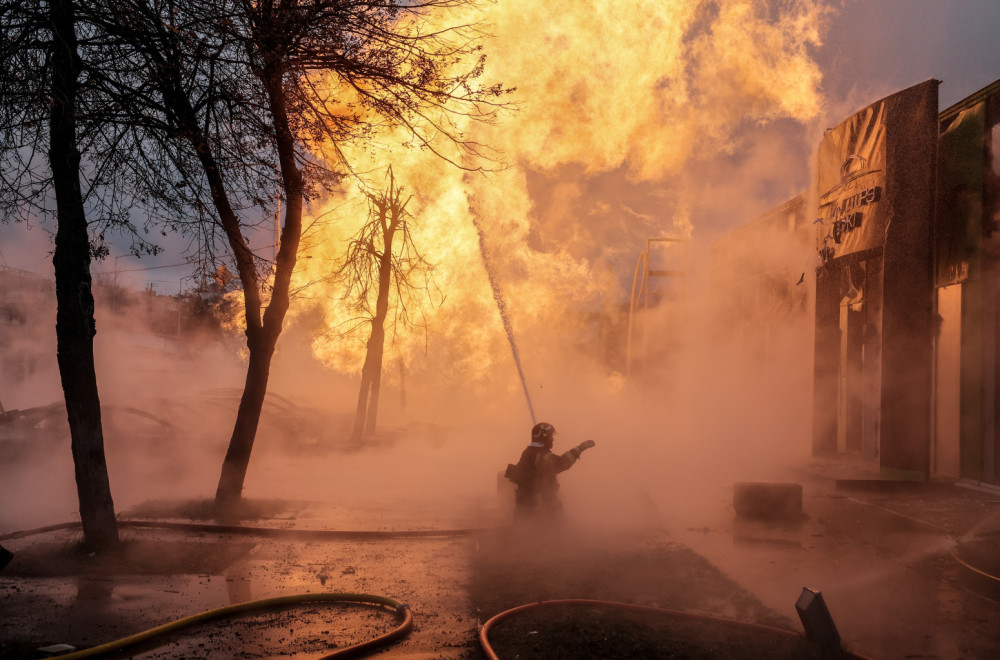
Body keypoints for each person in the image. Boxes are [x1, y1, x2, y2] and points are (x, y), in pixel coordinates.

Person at [506, 422, 596, 520]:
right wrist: (579, 448)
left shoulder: (530, 452)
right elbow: (559, 464)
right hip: (539, 511)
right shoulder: (540, 454)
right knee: (551, 531)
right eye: (550, 436)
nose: (552, 439)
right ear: (544, 438)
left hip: (531, 508)